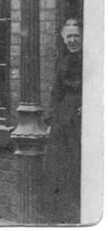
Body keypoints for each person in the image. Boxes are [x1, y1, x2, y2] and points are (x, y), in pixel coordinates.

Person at [46, 18, 82, 223]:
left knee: (77, 165)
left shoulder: (92, 59)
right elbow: (56, 91)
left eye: (76, 35)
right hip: (62, 119)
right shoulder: (62, 60)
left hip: (81, 118)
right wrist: (51, 118)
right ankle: (62, 215)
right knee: (59, 165)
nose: (73, 40)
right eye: (69, 36)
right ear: (63, 37)